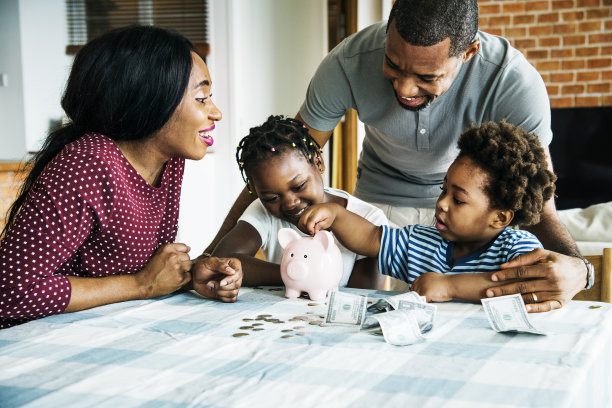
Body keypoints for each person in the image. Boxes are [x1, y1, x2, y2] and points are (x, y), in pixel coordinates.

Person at [205, 0, 590, 312]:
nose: (405, 88)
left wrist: (580, 269)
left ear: (469, 52)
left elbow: (542, 209)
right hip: (380, 207)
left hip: (473, 208)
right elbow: (283, 159)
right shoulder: (347, 63)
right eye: (393, 64)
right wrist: (207, 258)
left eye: (427, 77)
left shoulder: (513, 82)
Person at [0, 25, 243, 329]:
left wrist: (190, 274)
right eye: (201, 98)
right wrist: (141, 285)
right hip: (30, 344)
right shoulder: (88, 163)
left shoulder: (169, 162)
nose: (216, 112)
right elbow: (10, 292)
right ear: (152, 99)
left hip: (105, 330)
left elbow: (141, 271)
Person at [299, 121, 556, 307]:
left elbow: (524, 286)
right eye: (444, 191)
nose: (442, 204)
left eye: (458, 200)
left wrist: (449, 285)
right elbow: (371, 238)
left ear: (499, 218)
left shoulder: (518, 249)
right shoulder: (422, 242)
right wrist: (336, 215)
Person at [211, 115, 386, 289]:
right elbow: (222, 260)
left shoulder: (369, 219)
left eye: (299, 186)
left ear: (318, 162)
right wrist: (292, 274)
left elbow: (364, 297)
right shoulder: (263, 210)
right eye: (272, 198)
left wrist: (301, 275)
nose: (290, 203)